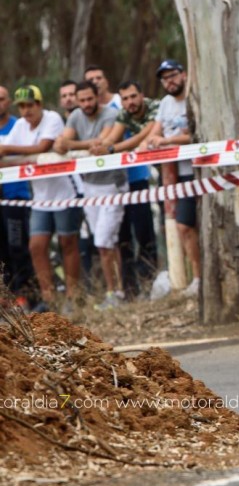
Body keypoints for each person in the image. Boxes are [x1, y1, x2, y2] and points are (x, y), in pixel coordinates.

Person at [0, 86, 81, 313]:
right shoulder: (19, 126)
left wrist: (6, 149)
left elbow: (42, 147)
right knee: (36, 246)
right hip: (40, 196)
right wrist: (8, 154)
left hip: (64, 191)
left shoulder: (52, 118)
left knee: (68, 243)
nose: (26, 111)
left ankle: (73, 297)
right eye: (22, 106)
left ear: (39, 104)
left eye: (29, 105)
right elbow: (16, 157)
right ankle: (49, 298)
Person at [55, 81, 125, 309]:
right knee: (105, 242)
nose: (86, 104)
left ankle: (115, 291)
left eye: (89, 99)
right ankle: (115, 291)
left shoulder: (111, 114)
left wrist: (73, 145)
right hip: (90, 185)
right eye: (82, 100)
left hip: (112, 184)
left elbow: (102, 142)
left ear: (97, 97)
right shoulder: (75, 116)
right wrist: (79, 145)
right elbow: (61, 145)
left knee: (103, 240)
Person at [92, 81, 160, 298]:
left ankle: (149, 281)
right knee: (123, 239)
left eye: (133, 96)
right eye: (125, 98)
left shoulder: (155, 107)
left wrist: (111, 148)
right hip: (119, 184)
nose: (130, 102)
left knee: (144, 233)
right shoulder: (121, 114)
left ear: (142, 95)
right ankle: (130, 289)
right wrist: (102, 145)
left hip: (141, 180)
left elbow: (144, 136)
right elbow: (112, 137)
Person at [143, 59, 201, 296]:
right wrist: (150, 141)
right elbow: (156, 131)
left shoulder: (194, 97)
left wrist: (166, 140)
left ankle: (199, 276)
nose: (170, 81)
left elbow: (197, 133)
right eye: (165, 78)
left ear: (184, 74)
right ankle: (196, 278)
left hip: (197, 172)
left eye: (173, 75)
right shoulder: (166, 103)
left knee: (188, 225)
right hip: (173, 175)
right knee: (183, 227)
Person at [0, 85, 34, 304]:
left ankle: (26, 292)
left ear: (9, 101)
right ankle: (7, 296)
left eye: (1, 98)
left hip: (15, 193)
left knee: (17, 245)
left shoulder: (17, 127)